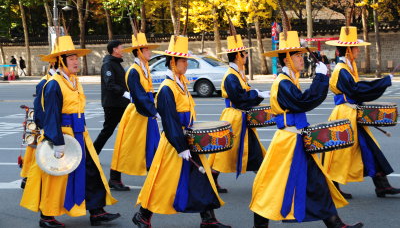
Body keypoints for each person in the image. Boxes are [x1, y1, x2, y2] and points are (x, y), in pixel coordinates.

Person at [249, 31, 362, 228]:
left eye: (302, 55)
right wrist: (319, 77)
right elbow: (304, 102)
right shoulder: (283, 83)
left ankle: (336, 224)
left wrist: (320, 78)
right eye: (298, 56)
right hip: (287, 143)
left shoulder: (290, 79)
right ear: (286, 59)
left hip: (297, 139)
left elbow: (308, 101)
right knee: (272, 185)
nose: (302, 59)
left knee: (317, 181)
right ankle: (260, 225)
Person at [20, 36, 120, 227]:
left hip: (80, 135)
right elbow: (50, 116)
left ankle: (97, 211)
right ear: (61, 61)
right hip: (62, 136)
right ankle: (46, 216)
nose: (76, 62)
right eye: (72, 59)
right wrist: (57, 142)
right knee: (55, 177)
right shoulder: (53, 84)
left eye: (77, 58)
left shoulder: (74, 81)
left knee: (91, 171)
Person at [133, 35, 230, 228]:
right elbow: (170, 121)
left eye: (186, 60)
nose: (186, 64)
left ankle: (208, 219)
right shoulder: (167, 88)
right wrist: (180, 146)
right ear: (172, 63)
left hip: (188, 138)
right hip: (174, 142)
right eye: (183, 60)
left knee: (201, 177)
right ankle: (143, 215)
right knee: (163, 181)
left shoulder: (181, 82)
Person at [322, 26, 400, 199]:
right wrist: (383, 82)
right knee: (340, 152)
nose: (358, 50)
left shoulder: (348, 67)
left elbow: (358, 88)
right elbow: (357, 90)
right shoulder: (341, 70)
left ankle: (382, 186)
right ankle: (331, 188)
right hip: (345, 115)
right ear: (348, 50)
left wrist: (382, 82)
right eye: (356, 47)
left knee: (370, 147)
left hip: (352, 113)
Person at [208, 34, 268, 193]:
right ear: (237, 56)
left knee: (249, 149)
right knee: (226, 151)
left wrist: (257, 94)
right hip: (235, 117)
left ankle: (264, 179)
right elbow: (239, 97)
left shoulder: (238, 74)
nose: (247, 56)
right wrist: (257, 95)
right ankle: (265, 181)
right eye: (244, 53)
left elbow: (245, 94)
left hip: (241, 117)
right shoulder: (231, 76)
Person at [110, 33, 160, 179]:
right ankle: (115, 177)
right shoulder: (133, 71)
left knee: (152, 142)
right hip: (138, 111)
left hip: (146, 110)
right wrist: (153, 111)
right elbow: (139, 95)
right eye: (146, 50)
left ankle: (154, 173)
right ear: (139, 53)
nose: (149, 52)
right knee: (129, 146)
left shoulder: (145, 68)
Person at [93, 40, 130, 191]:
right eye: (121, 47)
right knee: (110, 131)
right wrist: (125, 93)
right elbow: (110, 84)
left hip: (120, 103)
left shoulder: (116, 63)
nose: (123, 49)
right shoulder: (108, 64)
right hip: (113, 104)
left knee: (111, 132)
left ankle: (93, 155)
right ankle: (93, 157)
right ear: (114, 49)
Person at [20, 52, 57, 189]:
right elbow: (40, 106)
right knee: (39, 152)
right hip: (46, 124)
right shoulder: (45, 81)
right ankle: (29, 177)